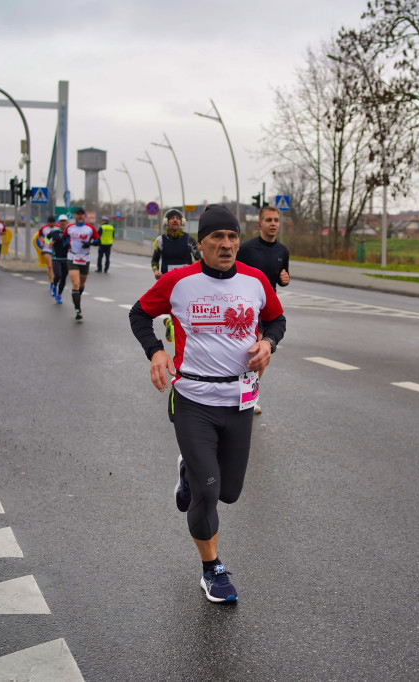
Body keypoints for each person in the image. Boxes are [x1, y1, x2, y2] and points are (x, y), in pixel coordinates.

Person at [128, 204, 286, 603]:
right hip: (193, 400)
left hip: (239, 401)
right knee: (209, 492)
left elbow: (277, 319)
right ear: (202, 244)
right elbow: (138, 314)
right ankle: (211, 569)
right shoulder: (180, 281)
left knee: (230, 492)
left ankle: (187, 471)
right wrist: (156, 352)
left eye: (233, 237)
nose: (228, 244)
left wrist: (268, 343)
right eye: (218, 237)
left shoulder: (254, 281)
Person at [235, 205, 291, 414]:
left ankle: (249, 396)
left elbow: (281, 276)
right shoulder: (247, 249)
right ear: (260, 224)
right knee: (252, 353)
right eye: (269, 220)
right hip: (250, 308)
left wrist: (285, 280)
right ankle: (245, 397)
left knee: (263, 357)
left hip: (270, 308)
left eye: (276, 220)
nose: (273, 224)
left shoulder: (282, 251)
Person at [151, 208, 201, 341]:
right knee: (173, 308)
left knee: (184, 308)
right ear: (166, 222)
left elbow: (199, 259)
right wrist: (156, 271)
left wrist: (191, 266)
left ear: (181, 222)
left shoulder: (189, 240)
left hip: (187, 280)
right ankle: (172, 325)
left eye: (177, 218)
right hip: (167, 280)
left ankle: (172, 325)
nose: (175, 220)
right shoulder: (160, 240)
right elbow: (154, 260)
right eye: (172, 218)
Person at [64, 207, 100, 320]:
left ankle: (77, 297)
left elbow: (98, 240)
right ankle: (78, 309)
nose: (80, 216)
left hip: (85, 258)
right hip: (72, 257)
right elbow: (65, 238)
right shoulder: (69, 228)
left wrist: (91, 243)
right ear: (74, 216)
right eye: (77, 214)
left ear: (85, 216)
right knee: (75, 283)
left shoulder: (90, 228)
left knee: (82, 284)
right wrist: (64, 244)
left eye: (81, 214)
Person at [46, 215, 71, 304]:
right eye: (61, 221)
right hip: (56, 258)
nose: (63, 223)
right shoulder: (54, 232)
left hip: (66, 258)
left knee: (64, 278)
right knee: (58, 275)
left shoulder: (70, 232)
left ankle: (59, 295)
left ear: (67, 222)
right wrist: (49, 243)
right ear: (58, 223)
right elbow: (46, 238)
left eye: (65, 221)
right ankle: (54, 285)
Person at [35, 215, 58, 296]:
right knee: (50, 265)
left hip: (55, 249)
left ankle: (52, 278)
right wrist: (41, 242)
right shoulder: (44, 228)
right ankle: (52, 282)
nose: (51, 224)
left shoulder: (57, 228)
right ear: (48, 222)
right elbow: (39, 235)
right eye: (50, 223)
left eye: (53, 223)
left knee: (55, 267)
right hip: (46, 249)